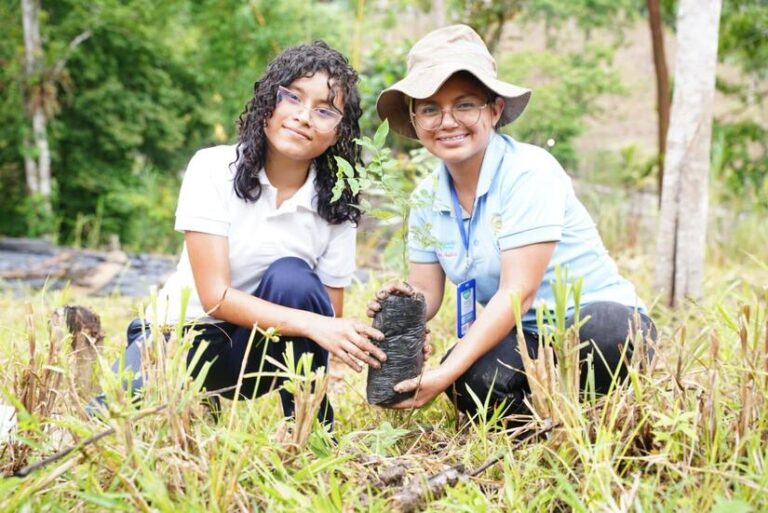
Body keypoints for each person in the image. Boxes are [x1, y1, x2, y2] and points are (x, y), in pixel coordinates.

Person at [368, 25, 657, 419]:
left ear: (494, 109)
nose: (447, 121)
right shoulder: (424, 198)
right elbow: (426, 290)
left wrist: (442, 372)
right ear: (415, 121)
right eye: (430, 108)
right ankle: (546, 421)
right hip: (524, 337)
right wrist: (403, 303)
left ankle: (583, 415)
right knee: (470, 380)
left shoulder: (529, 172)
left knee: (610, 332)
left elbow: (518, 291)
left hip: (587, 321)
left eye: (465, 104)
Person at [99, 41, 387, 428]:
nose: (304, 117)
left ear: (338, 133)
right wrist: (312, 324)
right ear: (269, 103)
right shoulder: (214, 167)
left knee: (293, 276)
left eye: (324, 110)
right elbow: (214, 297)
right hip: (180, 336)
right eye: (293, 98)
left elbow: (326, 315)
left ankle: (312, 430)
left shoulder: (337, 204)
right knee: (107, 419)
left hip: (257, 351)